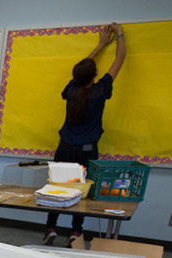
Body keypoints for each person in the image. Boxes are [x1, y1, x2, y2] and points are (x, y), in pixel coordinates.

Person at [44, 22, 126, 246]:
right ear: (95, 74)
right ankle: (75, 232)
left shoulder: (72, 89)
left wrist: (99, 45)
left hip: (65, 146)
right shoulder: (100, 90)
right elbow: (119, 59)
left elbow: (81, 70)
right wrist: (119, 35)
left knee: (57, 187)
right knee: (81, 190)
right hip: (87, 149)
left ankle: (51, 228)